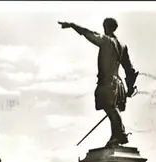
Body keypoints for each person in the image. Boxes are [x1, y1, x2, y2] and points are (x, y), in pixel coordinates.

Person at [58, 18, 138, 147]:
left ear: (107, 27)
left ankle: (120, 134)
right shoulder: (122, 46)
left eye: (104, 26)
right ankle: (117, 135)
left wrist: (73, 25)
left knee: (111, 108)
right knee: (112, 108)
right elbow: (130, 69)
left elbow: (88, 33)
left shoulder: (106, 41)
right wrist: (130, 87)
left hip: (108, 82)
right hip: (118, 83)